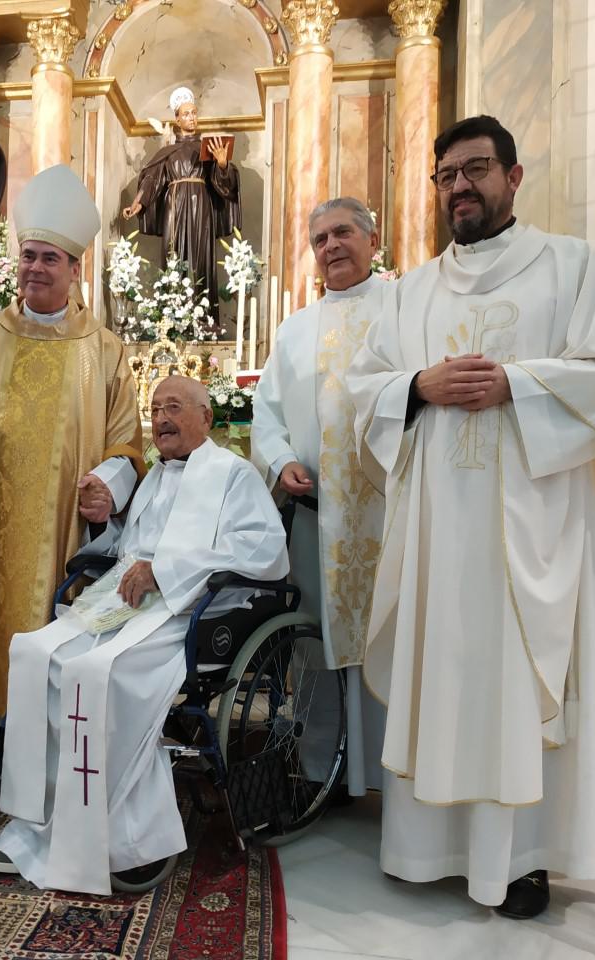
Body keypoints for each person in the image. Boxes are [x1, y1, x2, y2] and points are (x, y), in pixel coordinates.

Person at [345, 115, 595, 918]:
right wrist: (418, 387)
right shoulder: (410, 290)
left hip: (534, 528)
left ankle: (521, 859)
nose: (460, 187)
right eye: (447, 174)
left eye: (476, 170)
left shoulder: (571, 267)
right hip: (440, 534)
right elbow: (360, 385)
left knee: (515, 684)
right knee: (445, 669)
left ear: (513, 178)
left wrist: (516, 384)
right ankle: (426, 846)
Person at [0, 375, 289, 895]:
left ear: (206, 418)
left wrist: (166, 569)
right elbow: (128, 545)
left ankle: (127, 839)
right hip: (122, 607)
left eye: (174, 407)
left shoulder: (234, 474)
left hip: (184, 612)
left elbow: (265, 551)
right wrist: (106, 527)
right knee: (37, 655)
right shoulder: (152, 477)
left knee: (98, 675)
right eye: (155, 408)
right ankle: (37, 825)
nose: (162, 418)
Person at [0, 164, 143, 724]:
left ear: (75, 268)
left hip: (63, 526)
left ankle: (49, 747)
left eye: (50, 258)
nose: (35, 268)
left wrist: (107, 486)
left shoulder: (102, 350)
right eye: (28, 255)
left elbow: (127, 438)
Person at [252, 196, 387, 799]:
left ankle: (391, 775)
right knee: (319, 643)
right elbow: (267, 413)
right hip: (317, 519)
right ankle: (319, 771)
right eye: (320, 240)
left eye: (342, 233)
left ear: (372, 241)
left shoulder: (405, 308)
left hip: (389, 514)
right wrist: (281, 463)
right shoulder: (295, 329)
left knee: (389, 636)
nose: (331, 247)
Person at [122, 86, 240, 314]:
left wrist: (222, 164)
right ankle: (171, 315)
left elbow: (224, 184)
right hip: (174, 207)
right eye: (186, 114)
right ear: (177, 119)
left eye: (194, 113)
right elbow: (152, 179)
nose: (192, 118)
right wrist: (138, 202)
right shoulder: (169, 151)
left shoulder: (209, 148)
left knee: (201, 257)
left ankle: (202, 316)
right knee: (172, 252)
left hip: (201, 207)